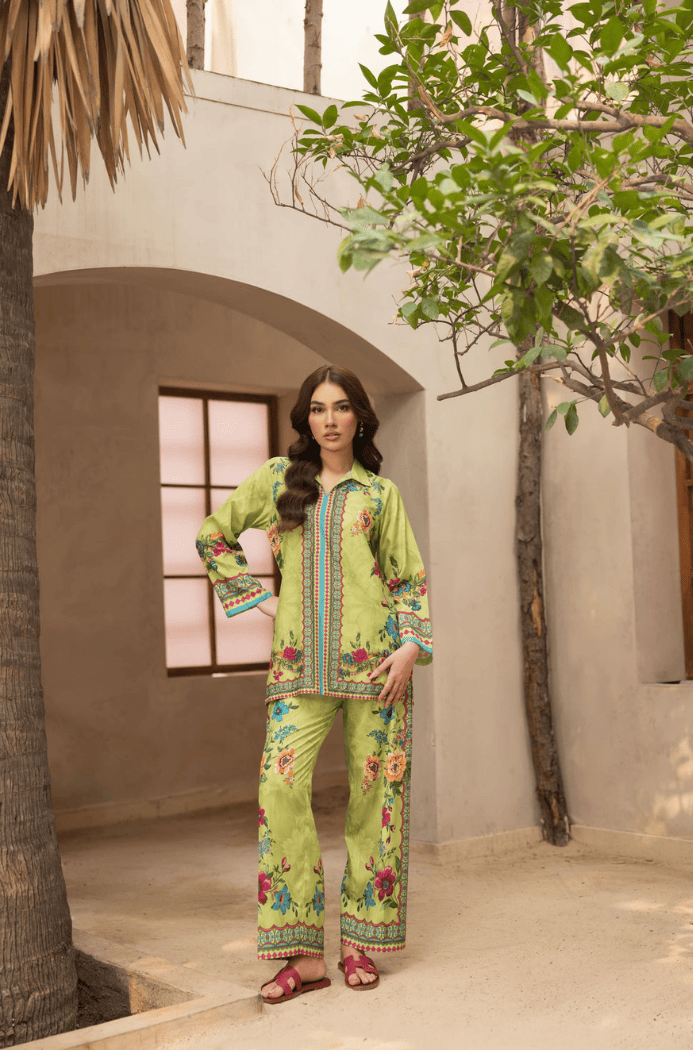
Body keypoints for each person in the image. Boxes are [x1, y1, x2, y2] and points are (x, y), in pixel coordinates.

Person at [196, 364, 432, 1003]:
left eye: (342, 407)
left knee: (373, 800)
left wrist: (411, 645)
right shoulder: (278, 481)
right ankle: (303, 956)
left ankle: (359, 942)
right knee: (280, 788)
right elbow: (214, 534)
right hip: (297, 670)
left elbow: (407, 578)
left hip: (378, 669)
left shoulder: (378, 496)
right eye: (319, 409)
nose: (330, 419)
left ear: (360, 417)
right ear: (306, 418)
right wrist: (256, 602)